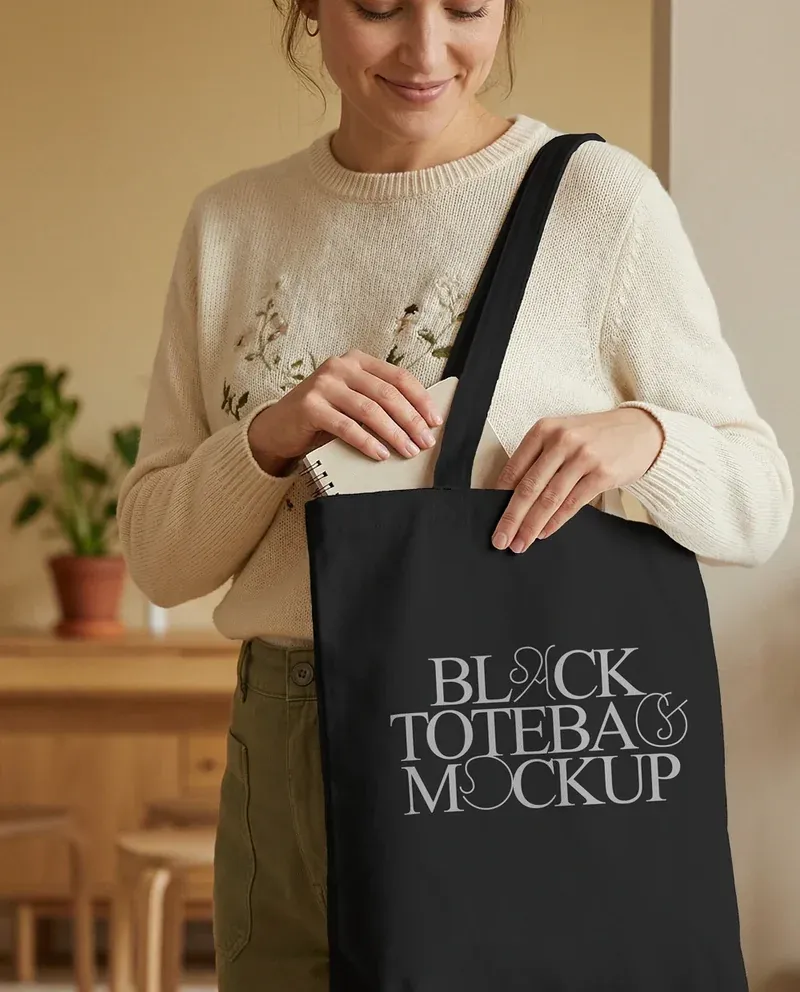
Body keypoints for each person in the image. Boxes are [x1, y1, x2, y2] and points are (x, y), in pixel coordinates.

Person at [118, 0, 793, 985]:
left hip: (494, 737)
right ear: (309, 8)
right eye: (380, 8)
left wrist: (642, 438)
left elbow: (758, 499)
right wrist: (271, 435)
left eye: (468, 8)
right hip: (286, 742)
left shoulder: (595, 203)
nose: (427, 51)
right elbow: (157, 558)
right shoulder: (233, 225)